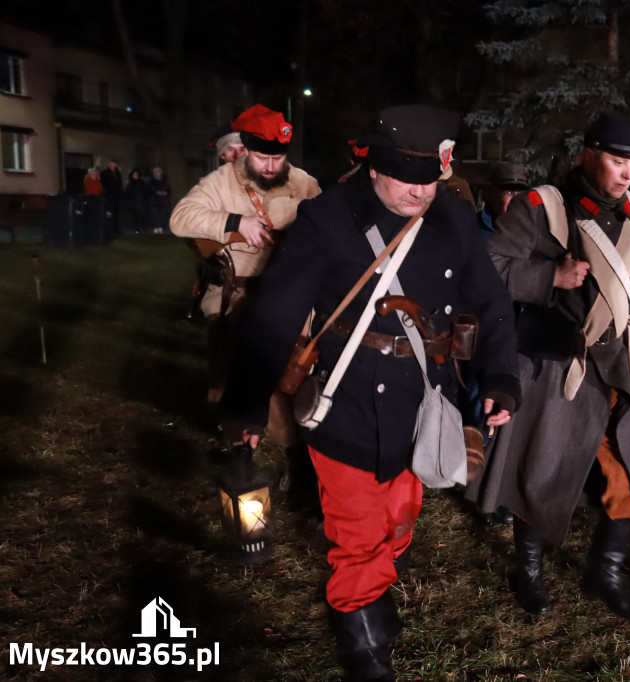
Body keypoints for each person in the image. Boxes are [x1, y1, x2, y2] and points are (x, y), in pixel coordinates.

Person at [218, 104, 520, 681]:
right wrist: (245, 407)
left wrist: (501, 376)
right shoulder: (326, 220)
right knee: (356, 525)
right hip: (347, 399)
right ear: (375, 168)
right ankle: (360, 629)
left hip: (425, 401)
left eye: (431, 178)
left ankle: (378, 577)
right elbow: (275, 317)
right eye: (410, 179)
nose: (421, 192)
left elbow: (491, 303)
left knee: (401, 513)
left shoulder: (454, 216)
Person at [467, 112, 630, 622]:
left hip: (614, 366)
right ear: (587, 154)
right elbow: (489, 267)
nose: (627, 173)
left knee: (627, 475)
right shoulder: (543, 206)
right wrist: (548, 276)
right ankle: (529, 573)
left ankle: (603, 573)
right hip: (553, 363)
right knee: (542, 472)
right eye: (616, 160)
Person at [170, 103, 322, 509]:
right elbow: (181, 217)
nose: (270, 165)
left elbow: (330, 221)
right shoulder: (220, 182)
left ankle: (299, 462)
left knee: (292, 383)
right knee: (238, 379)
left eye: (277, 157)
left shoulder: (304, 183)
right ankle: (243, 460)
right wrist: (235, 223)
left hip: (292, 298)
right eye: (260, 156)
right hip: (240, 295)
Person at [478, 161, 529, 237]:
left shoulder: (532, 232)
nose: (516, 199)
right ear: (491, 195)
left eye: (521, 193)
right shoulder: (473, 228)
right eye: (508, 193)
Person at [123, 168, 150, 234]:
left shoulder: (142, 182)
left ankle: (144, 228)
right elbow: (127, 193)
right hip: (134, 203)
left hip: (142, 202)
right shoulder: (130, 183)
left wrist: (145, 200)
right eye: (134, 174)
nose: (136, 175)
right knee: (135, 217)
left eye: (137, 174)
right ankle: (137, 229)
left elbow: (146, 191)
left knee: (143, 217)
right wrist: (129, 202)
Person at [100, 159, 124, 234]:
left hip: (117, 196)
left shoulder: (118, 173)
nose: (112, 165)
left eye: (114, 164)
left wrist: (121, 194)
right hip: (109, 195)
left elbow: (120, 184)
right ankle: (109, 230)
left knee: (116, 214)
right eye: (111, 163)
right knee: (109, 213)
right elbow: (103, 184)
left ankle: (116, 229)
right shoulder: (104, 173)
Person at [148, 167, 171, 233]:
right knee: (155, 214)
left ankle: (161, 227)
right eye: (156, 172)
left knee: (162, 214)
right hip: (154, 201)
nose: (158, 173)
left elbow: (167, 190)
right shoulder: (151, 181)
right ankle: (156, 227)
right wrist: (157, 192)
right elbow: (151, 190)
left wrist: (163, 193)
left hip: (163, 201)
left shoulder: (164, 181)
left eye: (159, 172)